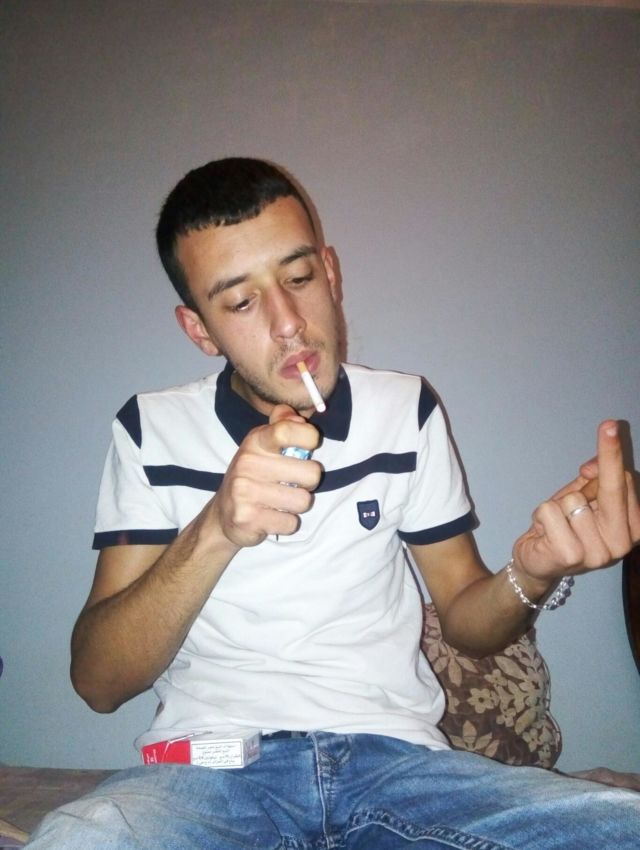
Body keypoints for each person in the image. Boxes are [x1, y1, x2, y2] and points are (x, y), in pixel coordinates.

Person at [27, 158, 640, 849]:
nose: (289, 324)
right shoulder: (151, 429)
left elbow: (469, 622)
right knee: (83, 838)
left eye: (298, 278)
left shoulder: (405, 410)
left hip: (399, 767)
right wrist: (217, 529)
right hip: (210, 774)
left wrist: (532, 571)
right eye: (241, 302)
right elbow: (99, 683)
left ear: (330, 272)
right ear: (200, 330)